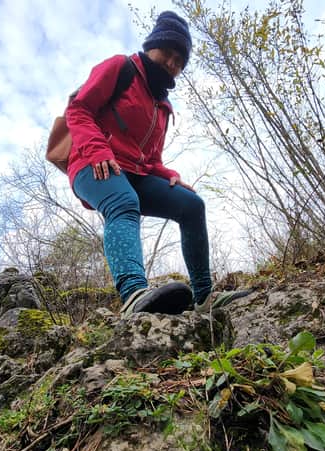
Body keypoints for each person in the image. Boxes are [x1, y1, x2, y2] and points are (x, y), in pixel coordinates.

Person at [66, 11, 233, 315]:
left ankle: (204, 299)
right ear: (152, 45)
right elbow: (78, 110)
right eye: (169, 53)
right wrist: (98, 150)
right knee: (123, 200)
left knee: (192, 205)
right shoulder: (120, 68)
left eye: (180, 61)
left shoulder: (163, 107)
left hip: (137, 174)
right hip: (92, 164)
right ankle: (133, 294)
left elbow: (151, 159)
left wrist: (169, 175)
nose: (172, 64)